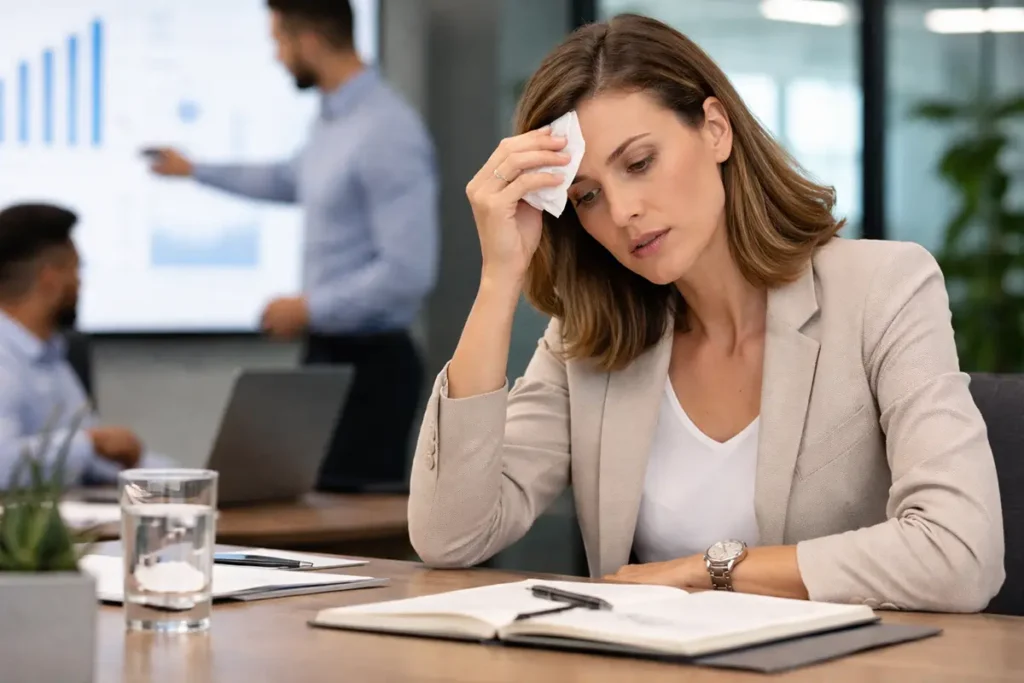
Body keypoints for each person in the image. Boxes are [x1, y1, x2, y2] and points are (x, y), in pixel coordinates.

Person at [407, 14, 1005, 612]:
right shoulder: (592, 338)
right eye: (586, 196)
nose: (621, 211)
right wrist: (498, 278)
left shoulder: (883, 289)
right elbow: (452, 536)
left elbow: (960, 555)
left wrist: (710, 571)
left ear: (715, 129)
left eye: (639, 163)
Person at [147, 0, 438, 493]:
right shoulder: (332, 122)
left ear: (310, 41)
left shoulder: (387, 130)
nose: (277, 57)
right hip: (328, 355)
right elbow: (287, 178)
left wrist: (309, 308)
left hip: (372, 368)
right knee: (313, 504)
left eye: (279, 41)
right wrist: (195, 170)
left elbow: (408, 272)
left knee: (349, 527)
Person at [0, 203, 170, 487]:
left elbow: (99, 461)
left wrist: (184, 480)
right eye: (77, 269)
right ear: (51, 277)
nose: (80, 282)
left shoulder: (53, 357)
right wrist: (89, 443)